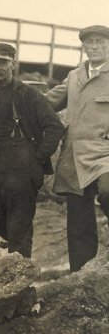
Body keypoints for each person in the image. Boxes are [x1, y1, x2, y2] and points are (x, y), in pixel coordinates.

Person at [0, 43, 64, 269]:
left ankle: (18, 289)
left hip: (19, 169)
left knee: (19, 230)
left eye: (2, 62)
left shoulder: (28, 94)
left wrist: (36, 159)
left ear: (13, 64)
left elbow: (54, 127)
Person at [47, 25, 109, 272]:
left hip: (104, 153)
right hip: (73, 155)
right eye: (89, 43)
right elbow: (48, 102)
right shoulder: (74, 76)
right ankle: (82, 275)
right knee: (78, 218)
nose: (94, 47)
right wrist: (16, 93)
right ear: (84, 47)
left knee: (107, 190)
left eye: (100, 42)